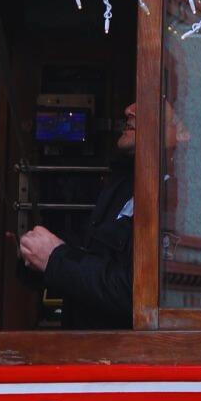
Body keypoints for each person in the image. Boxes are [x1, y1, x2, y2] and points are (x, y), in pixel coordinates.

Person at [19, 100, 134, 329]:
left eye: (152, 97)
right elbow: (92, 261)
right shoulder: (124, 184)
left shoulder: (176, 203)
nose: (129, 109)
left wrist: (54, 258)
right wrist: (36, 258)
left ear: (182, 131)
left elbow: (134, 293)